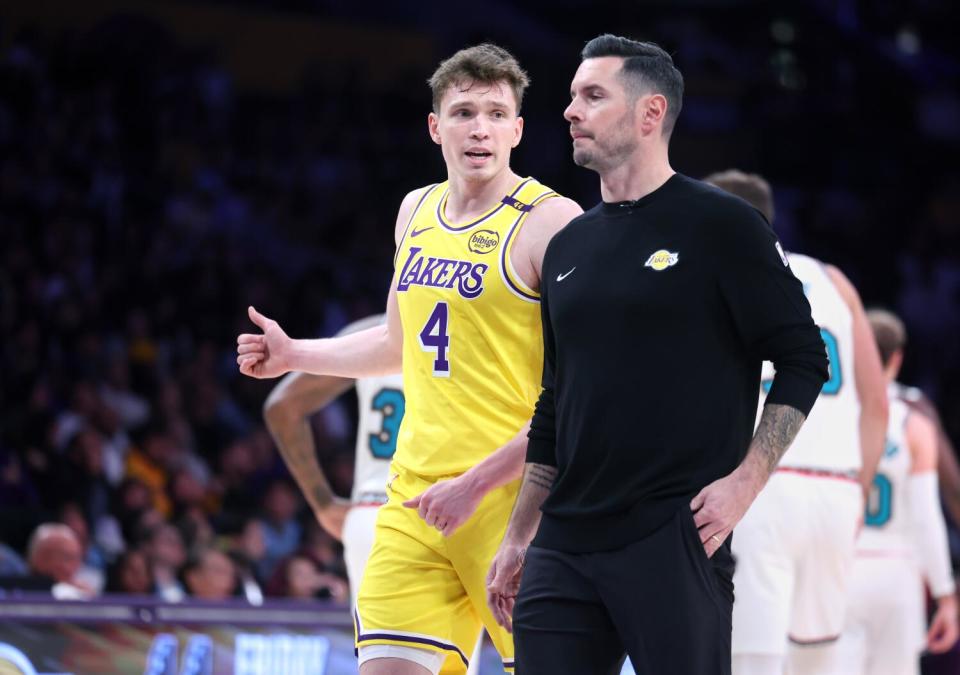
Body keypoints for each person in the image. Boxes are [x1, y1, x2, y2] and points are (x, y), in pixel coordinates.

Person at [485, 35, 829, 675]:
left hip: (673, 534)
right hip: (563, 541)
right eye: (571, 97)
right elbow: (555, 405)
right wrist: (518, 534)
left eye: (592, 96)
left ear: (649, 115)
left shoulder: (722, 226)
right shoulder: (568, 246)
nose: (571, 111)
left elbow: (805, 358)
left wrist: (744, 485)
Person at [237, 43, 582, 675]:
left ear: (518, 129)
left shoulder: (553, 221)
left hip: (514, 501)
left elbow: (583, 390)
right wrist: (294, 354)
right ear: (435, 126)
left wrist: (477, 483)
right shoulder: (415, 210)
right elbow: (398, 344)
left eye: (495, 113)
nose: (479, 127)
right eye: (463, 111)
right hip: (416, 498)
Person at [703, 170, 889, 675]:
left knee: (749, 661)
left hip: (762, 483)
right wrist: (858, 492)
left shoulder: (712, 266)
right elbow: (877, 405)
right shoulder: (835, 280)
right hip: (837, 491)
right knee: (819, 660)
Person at [263, 315, 488, 674]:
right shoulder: (478, 316)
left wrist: (323, 504)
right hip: (443, 506)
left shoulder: (368, 333)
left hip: (372, 514)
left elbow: (282, 406)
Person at [835, 309, 959, 674]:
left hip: (840, 566)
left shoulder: (830, 412)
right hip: (898, 572)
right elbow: (928, 515)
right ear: (898, 357)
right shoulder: (913, 415)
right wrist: (945, 594)